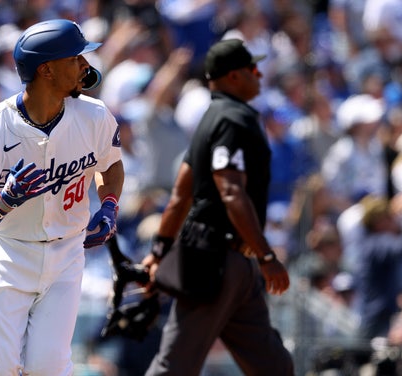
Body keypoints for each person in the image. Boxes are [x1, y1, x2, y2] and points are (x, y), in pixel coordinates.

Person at [0, 19, 124, 375]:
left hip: (67, 253)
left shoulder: (95, 116)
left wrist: (109, 206)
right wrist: (5, 201)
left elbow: (111, 166)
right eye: (76, 59)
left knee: (49, 368)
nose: (86, 67)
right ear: (47, 70)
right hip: (10, 253)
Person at [141, 39, 294, 376]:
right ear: (234, 76)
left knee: (274, 366)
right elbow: (231, 192)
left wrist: (160, 247)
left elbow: (181, 195)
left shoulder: (210, 120)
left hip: (234, 264)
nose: (259, 75)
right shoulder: (233, 120)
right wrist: (267, 256)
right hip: (215, 258)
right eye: (253, 69)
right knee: (173, 366)